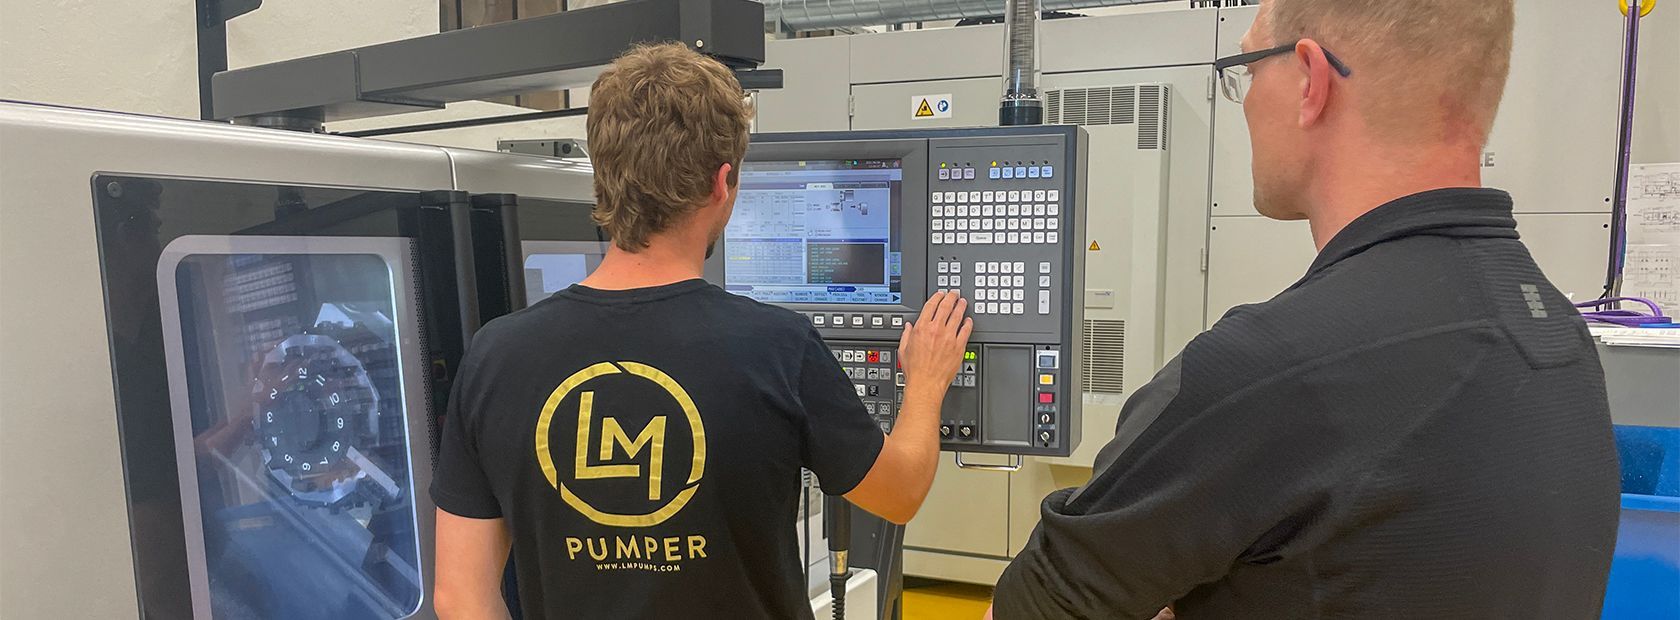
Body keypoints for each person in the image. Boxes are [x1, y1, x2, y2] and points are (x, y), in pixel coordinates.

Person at [991, 1, 1622, 618]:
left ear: (1310, 81)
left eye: (1248, 69)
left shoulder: (1265, 372)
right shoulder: (1561, 345)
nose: (1243, 100)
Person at [429, 42, 973, 619]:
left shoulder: (496, 355)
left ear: (603, 177)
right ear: (722, 183)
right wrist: (926, 384)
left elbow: (459, 595)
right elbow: (899, 492)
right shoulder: (777, 347)